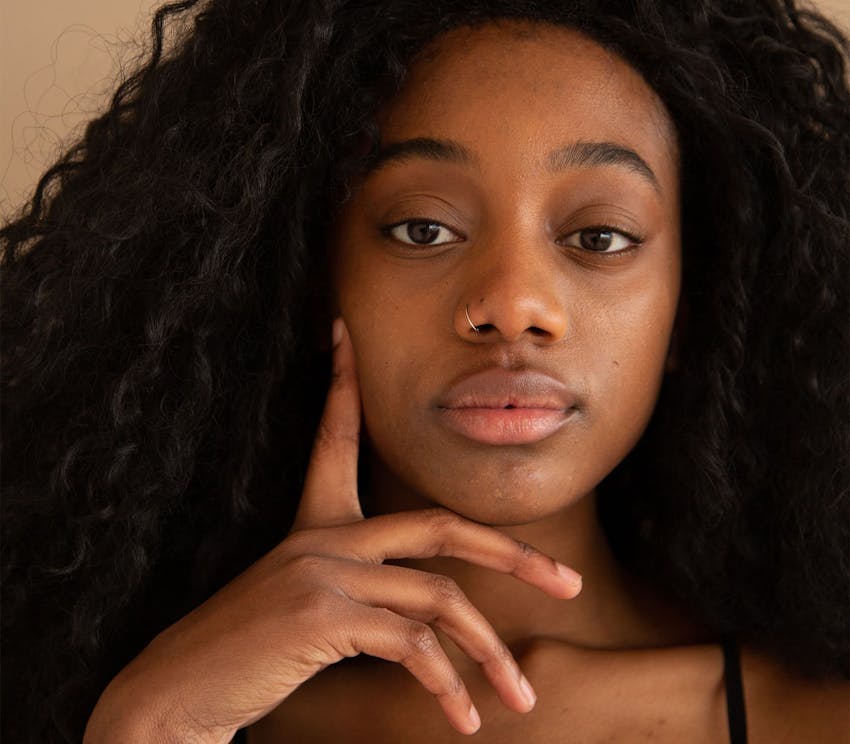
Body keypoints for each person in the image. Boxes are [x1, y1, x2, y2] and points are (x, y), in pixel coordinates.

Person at [2, 0, 848, 741]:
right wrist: (152, 727)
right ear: (309, 282)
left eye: (599, 237)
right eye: (423, 229)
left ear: (690, 309)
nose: (513, 304)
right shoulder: (128, 704)